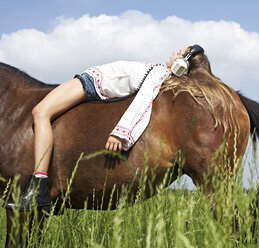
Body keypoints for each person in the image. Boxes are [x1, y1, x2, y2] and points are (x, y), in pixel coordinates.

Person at [5, 45, 206, 212]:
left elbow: (141, 105)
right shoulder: (159, 75)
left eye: (179, 53)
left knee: (40, 112)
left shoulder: (158, 75)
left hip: (91, 82)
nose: (173, 52)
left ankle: (38, 186)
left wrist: (122, 133)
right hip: (95, 84)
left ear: (181, 64)